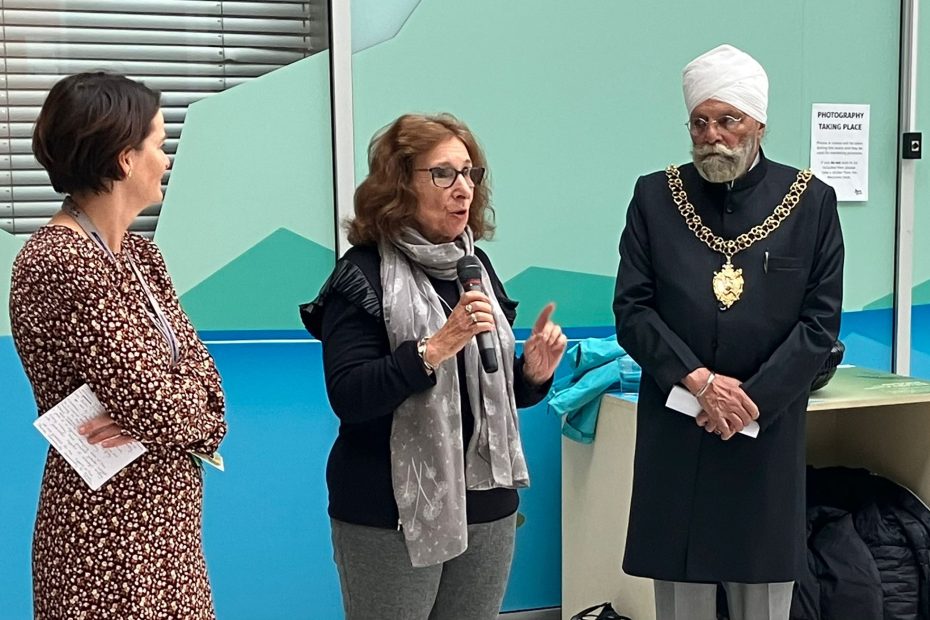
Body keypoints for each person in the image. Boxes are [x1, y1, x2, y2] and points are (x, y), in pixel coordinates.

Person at [300, 113, 567, 619]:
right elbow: (351, 397)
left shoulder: (476, 267)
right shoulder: (362, 275)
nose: (463, 189)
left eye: (469, 173)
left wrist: (532, 372)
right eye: (443, 174)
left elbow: (491, 389)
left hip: (486, 502)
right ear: (400, 184)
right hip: (389, 509)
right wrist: (433, 348)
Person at [613, 45, 844, 620]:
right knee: (680, 598)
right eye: (700, 122)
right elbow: (633, 309)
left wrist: (748, 403)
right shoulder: (654, 197)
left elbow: (819, 326)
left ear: (759, 122)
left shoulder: (812, 202)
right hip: (680, 423)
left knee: (763, 600)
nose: (713, 135)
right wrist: (699, 383)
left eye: (728, 120)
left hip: (763, 434)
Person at [10, 72, 227, 619]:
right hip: (104, 539)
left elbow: (209, 394)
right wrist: (173, 408)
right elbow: (152, 404)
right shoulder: (61, 261)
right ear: (124, 159)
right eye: (158, 143)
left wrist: (182, 408)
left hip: (168, 532)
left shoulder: (142, 258)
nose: (167, 159)